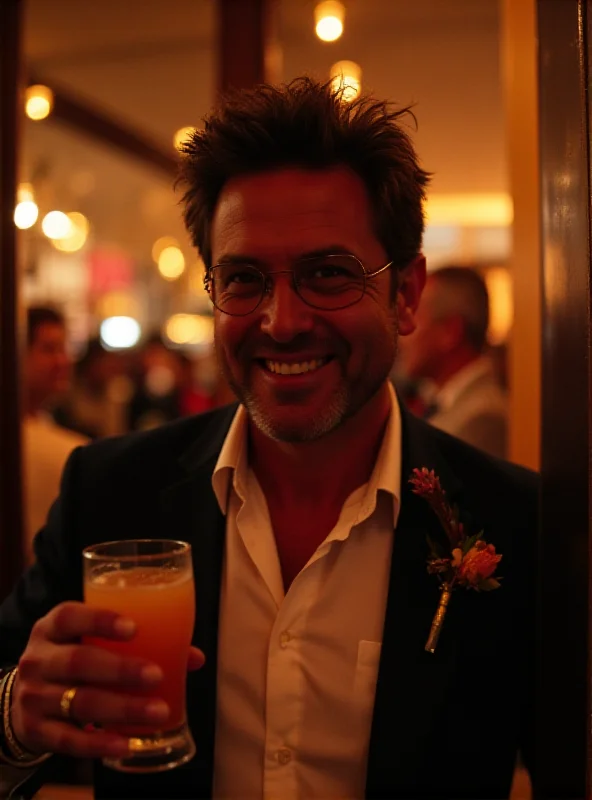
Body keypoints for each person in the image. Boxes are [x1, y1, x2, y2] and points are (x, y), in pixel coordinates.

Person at [0, 78, 537, 800]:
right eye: (245, 279)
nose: (282, 321)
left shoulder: (514, 523)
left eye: (328, 274)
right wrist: (16, 718)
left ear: (405, 295)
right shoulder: (111, 494)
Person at [396, 266, 509, 459]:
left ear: (450, 332)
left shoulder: (483, 418)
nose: (402, 334)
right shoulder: (435, 399)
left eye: (415, 317)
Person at [21, 306, 89, 563]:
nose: (64, 361)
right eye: (49, 350)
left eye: (64, 349)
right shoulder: (66, 450)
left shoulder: (49, 429)